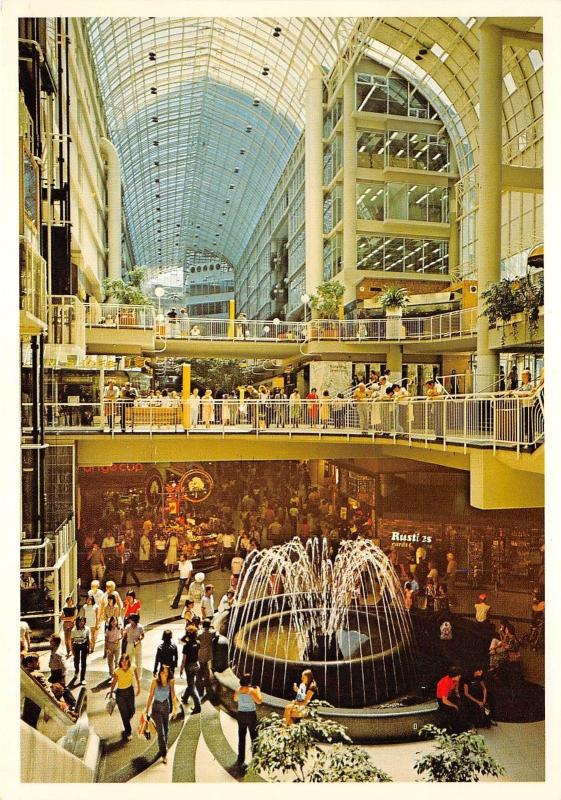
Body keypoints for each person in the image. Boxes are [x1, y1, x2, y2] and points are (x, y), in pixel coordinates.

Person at [145, 664, 178, 764]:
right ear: (160, 672)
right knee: (161, 732)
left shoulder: (171, 681)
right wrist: (147, 710)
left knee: (166, 729)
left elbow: (173, 695)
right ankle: (163, 754)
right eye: (163, 672)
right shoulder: (155, 681)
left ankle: (164, 745)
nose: (165, 674)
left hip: (166, 706)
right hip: (156, 707)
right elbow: (151, 696)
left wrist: (175, 709)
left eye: (167, 672)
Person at [234, 673, 263, 771]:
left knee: (241, 737)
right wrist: (258, 691)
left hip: (241, 715)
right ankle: (255, 758)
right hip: (250, 715)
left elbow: (235, 699)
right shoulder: (251, 691)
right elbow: (259, 701)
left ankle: (240, 758)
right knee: (254, 737)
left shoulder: (238, 690)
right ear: (249, 682)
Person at [109, 653, 141, 740]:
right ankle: (128, 731)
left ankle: (126, 721)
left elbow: (137, 678)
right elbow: (114, 682)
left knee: (132, 711)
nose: (124, 663)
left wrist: (139, 687)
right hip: (120, 694)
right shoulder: (117, 671)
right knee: (124, 714)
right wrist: (111, 692)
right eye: (122, 661)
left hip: (130, 691)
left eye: (125, 661)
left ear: (128, 661)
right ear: (120, 662)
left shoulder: (133, 667)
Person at [180, 626, 202, 713]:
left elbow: (184, 660)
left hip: (189, 666)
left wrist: (181, 669)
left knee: (191, 686)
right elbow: (199, 655)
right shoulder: (198, 643)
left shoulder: (186, 646)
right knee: (191, 682)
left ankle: (198, 705)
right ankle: (185, 698)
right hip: (196, 665)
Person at [436, 666, 463, 732]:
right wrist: (454, 706)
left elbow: (456, 686)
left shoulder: (455, 680)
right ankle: (455, 730)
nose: (460, 677)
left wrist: (458, 695)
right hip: (442, 700)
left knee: (462, 705)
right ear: (455, 675)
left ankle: (462, 726)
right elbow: (444, 700)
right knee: (454, 710)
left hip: (449, 696)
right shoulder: (445, 682)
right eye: (459, 675)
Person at [198, 619, 215, 697]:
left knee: (202, 668)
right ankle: (206, 687)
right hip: (208, 653)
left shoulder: (200, 634)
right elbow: (216, 633)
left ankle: (201, 688)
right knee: (206, 670)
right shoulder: (212, 633)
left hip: (201, 653)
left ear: (202, 625)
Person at [70, 616, 90, 685]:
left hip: (84, 645)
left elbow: (88, 639)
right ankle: (76, 671)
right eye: (80, 621)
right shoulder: (73, 630)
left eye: (82, 621)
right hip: (76, 645)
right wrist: (72, 650)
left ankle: (82, 678)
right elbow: (72, 640)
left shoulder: (87, 629)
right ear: (77, 622)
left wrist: (89, 648)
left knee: (83, 662)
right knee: (76, 660)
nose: (81, 623)